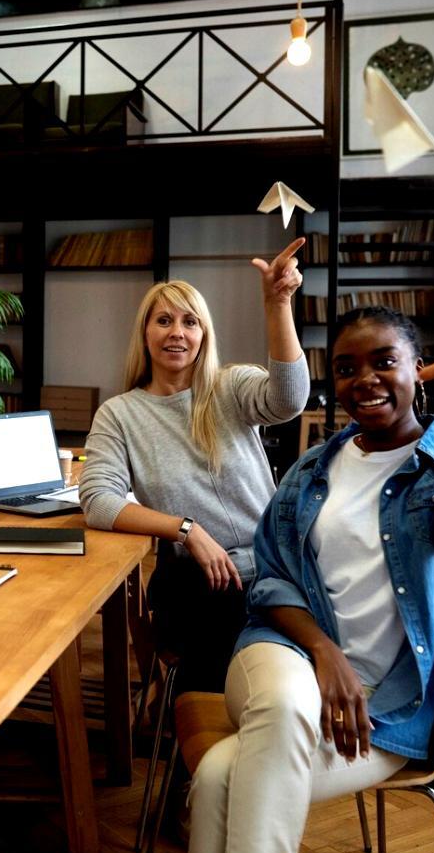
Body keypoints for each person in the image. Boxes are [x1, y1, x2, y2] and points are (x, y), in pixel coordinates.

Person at [184, 306, 434, 853]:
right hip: (282, 656)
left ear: (419, 370)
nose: (363, 378)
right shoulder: (313, 469)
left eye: (384, 361)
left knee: (218, 774)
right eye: (346, 368)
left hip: (385, 709)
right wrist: (325, 654)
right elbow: (271, 581)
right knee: (288, 704)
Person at [79, 239, 309, 693]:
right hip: (200, 580)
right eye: (163, 320)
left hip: (272, 567)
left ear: (204, 335)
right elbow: (98, 502)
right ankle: (209, 739)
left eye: (190, 322)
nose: (177, 332)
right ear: (145, 333)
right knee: (238, 668)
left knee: (288, 667)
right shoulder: (120, 414)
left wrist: (277, 303)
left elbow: (289, 400)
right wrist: (187, 529)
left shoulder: (231, 386)